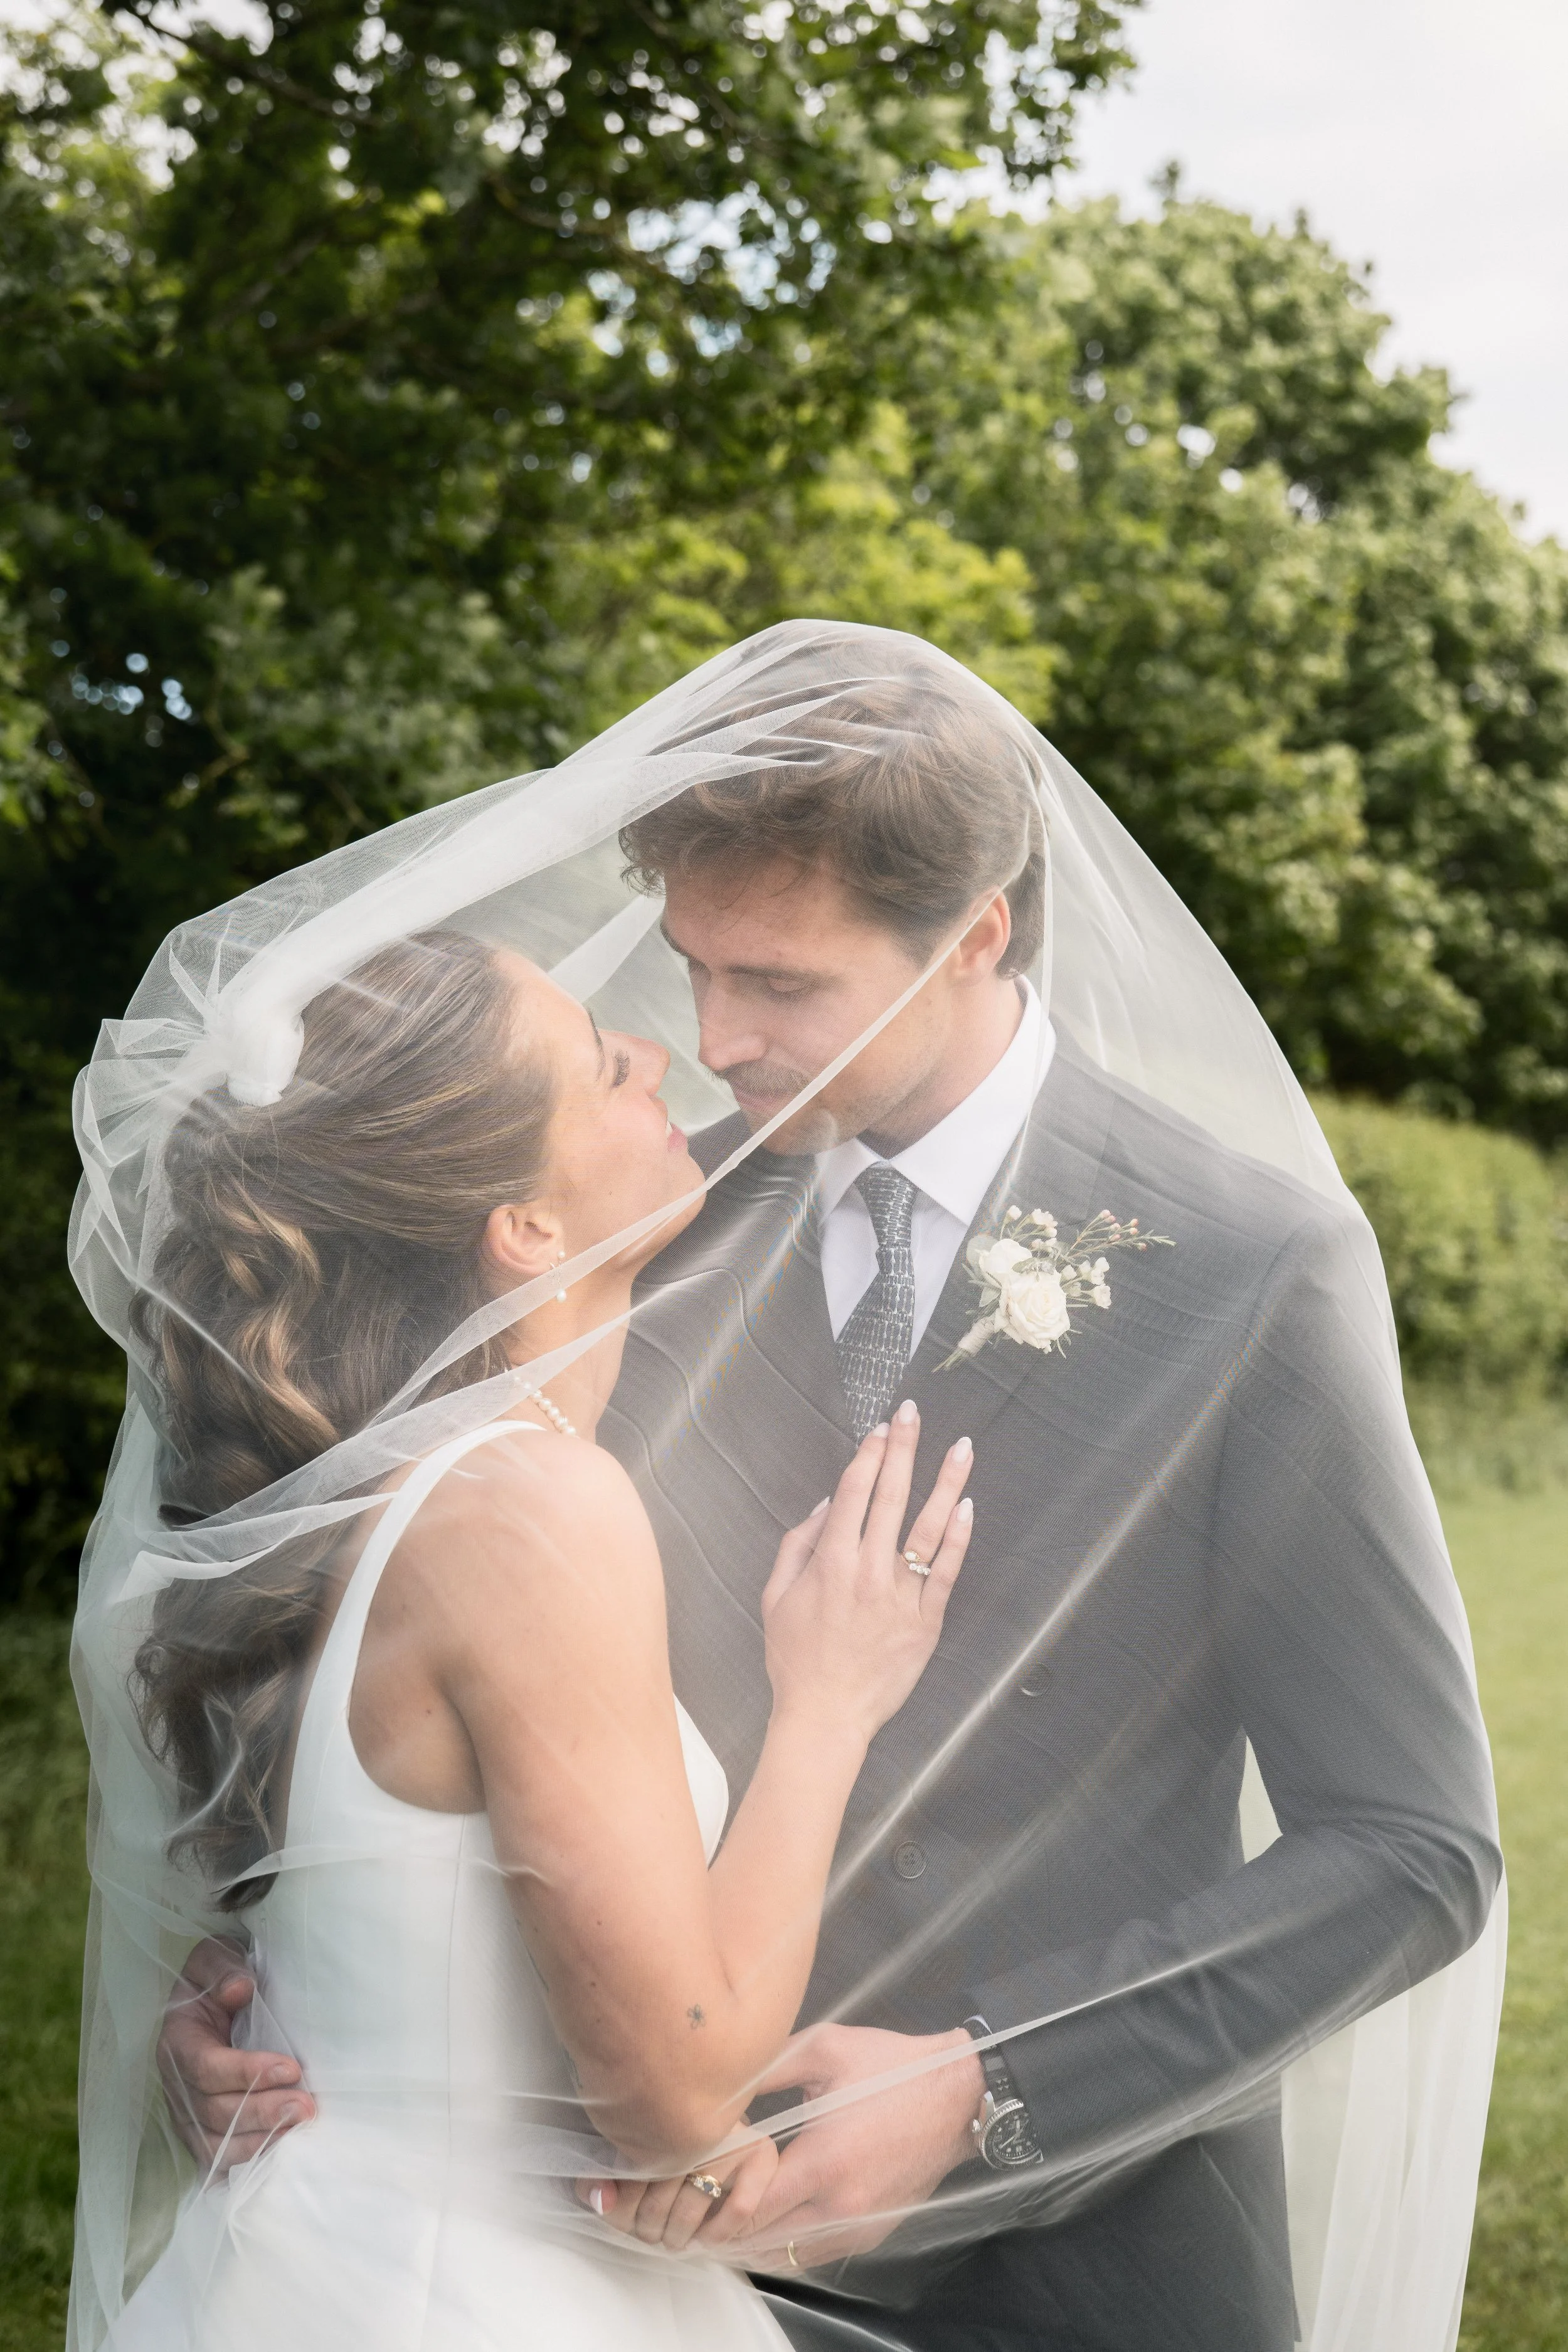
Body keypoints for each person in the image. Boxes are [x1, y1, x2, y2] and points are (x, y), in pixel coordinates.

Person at [151, 628, 1503, 2352]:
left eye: (779, 984)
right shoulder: (624, 1219)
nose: (714, 1038)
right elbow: (388, 1607)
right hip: (614, 2259)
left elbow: (1408, 1846)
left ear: (974, 933)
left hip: (1084, 2264)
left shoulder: (1252, 1268)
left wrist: (987, 2080)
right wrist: (278, 1977)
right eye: (694, 965)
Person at [91, 929, 975, 2352]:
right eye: (601, 1067)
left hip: (318, 2258)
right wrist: (829, 1700)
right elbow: (672, 2100)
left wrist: (231, 2007)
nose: (660, 1061)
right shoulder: (525, 1507)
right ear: (525, 1227)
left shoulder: (373, 1484)